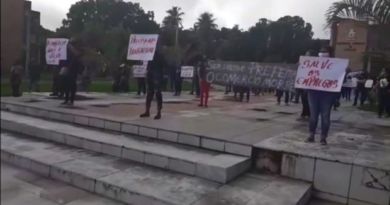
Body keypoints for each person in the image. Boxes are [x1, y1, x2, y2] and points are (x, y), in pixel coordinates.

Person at [305, 48, 341, 145]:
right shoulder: (313, 65)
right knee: (313, 116)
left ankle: (323, 137)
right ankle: (311, 135)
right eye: (322, 54)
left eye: (325, 54)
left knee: (325, 117)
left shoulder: (334, 67)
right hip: (313, 93)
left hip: (327, 94)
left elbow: (338, 80)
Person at [140, 48, 166, 120]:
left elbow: (162, 66)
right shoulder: (149, 56)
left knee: (157, 94)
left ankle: (158, 112)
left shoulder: (159, 56)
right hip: (151, 76)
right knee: (150, 94)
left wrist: (159, 77)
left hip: (157, 76)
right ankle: (147, 111)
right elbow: (148, 66)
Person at [60, 38, 83, 105]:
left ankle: (71, 100)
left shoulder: (76, 52)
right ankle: (66, 99)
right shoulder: (68, 52)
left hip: (73, 71)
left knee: (72, 86)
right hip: (68, 70)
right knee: (66, 85)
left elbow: (78, 58)